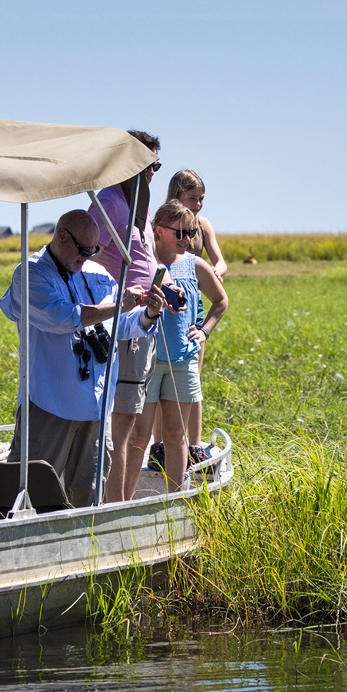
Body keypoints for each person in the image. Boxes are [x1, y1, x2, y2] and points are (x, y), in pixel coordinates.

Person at [0, 210, 165, 508]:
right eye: (83, 250)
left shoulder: (97, 274)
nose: (88, 257)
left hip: (96, 408)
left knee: (89, 497)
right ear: (62, 235)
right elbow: (62, 317)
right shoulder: (31, 273)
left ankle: (85, 551)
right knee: (32, 496)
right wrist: (117, 307)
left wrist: (148, 313)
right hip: (49, 403)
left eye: (94, 251)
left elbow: (124, 325)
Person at [90, 131, 162, 502]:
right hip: (123, 325)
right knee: (119, 427)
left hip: (143, 323)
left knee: (130, 426)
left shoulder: (139, 205)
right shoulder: (110, 204)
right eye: (148, 164)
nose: (153, 172)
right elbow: (86, 258)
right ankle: (110, 508)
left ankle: (117, 501)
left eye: (156, 165)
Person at [143, 201, 228, 493]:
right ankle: (127, 501)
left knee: (176, 434)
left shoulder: (195, 265)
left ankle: (176, 497)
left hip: (183, 360)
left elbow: (221, 301)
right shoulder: (145, 263)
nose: (187, 239)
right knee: (138, 438)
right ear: (158, 230)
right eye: (180, 232)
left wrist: (204, 330)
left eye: (191, 232)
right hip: (147, 360)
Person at [166, 169, 227, 280]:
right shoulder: (162, 225)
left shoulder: (203, 224)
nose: (198, 204)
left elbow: (221, 262)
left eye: (201, 198)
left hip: (194, 292)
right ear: (176, 197)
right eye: (192, 198)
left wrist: (216, 271)